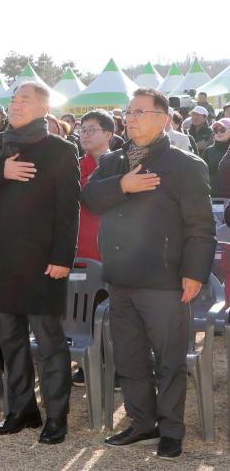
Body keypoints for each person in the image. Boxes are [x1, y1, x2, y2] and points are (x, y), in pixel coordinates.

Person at [82, 88, 216, 460]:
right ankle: (142, 423)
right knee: (129, 357)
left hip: (165, 279)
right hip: (120, 278)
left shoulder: (184, 164)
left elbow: (201, 226)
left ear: (164, 118)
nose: (132, 117)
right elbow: (90, 198)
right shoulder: (112, 163)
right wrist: (122, 186)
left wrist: (194, 274)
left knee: (170, 359)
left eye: (141, 111)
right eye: (129, 111)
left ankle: (171, 429)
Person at [0, 81, 80, 445]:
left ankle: (56, 417)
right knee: (10, 341)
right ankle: (21, 410)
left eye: (24, 100)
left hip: (44, 263)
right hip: (2, 260)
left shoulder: (61, 149)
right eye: (13, 99)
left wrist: (62, 258)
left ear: (44, 108)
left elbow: (68, 210)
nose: (15, 104)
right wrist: (2, 172)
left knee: (50, 344)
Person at [77, 110, 114, 261]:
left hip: (114, 249)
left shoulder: (122, 165)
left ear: (108, 134)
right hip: (80, 249)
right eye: (82, 130)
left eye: (91, 130)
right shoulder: (72, 167)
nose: (85, 134)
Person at [202, 118, 230, 197]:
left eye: (223, 129)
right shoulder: (208, 151)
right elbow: (203, 175)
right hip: (212, 195)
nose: (219, 132)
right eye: (215, 130)